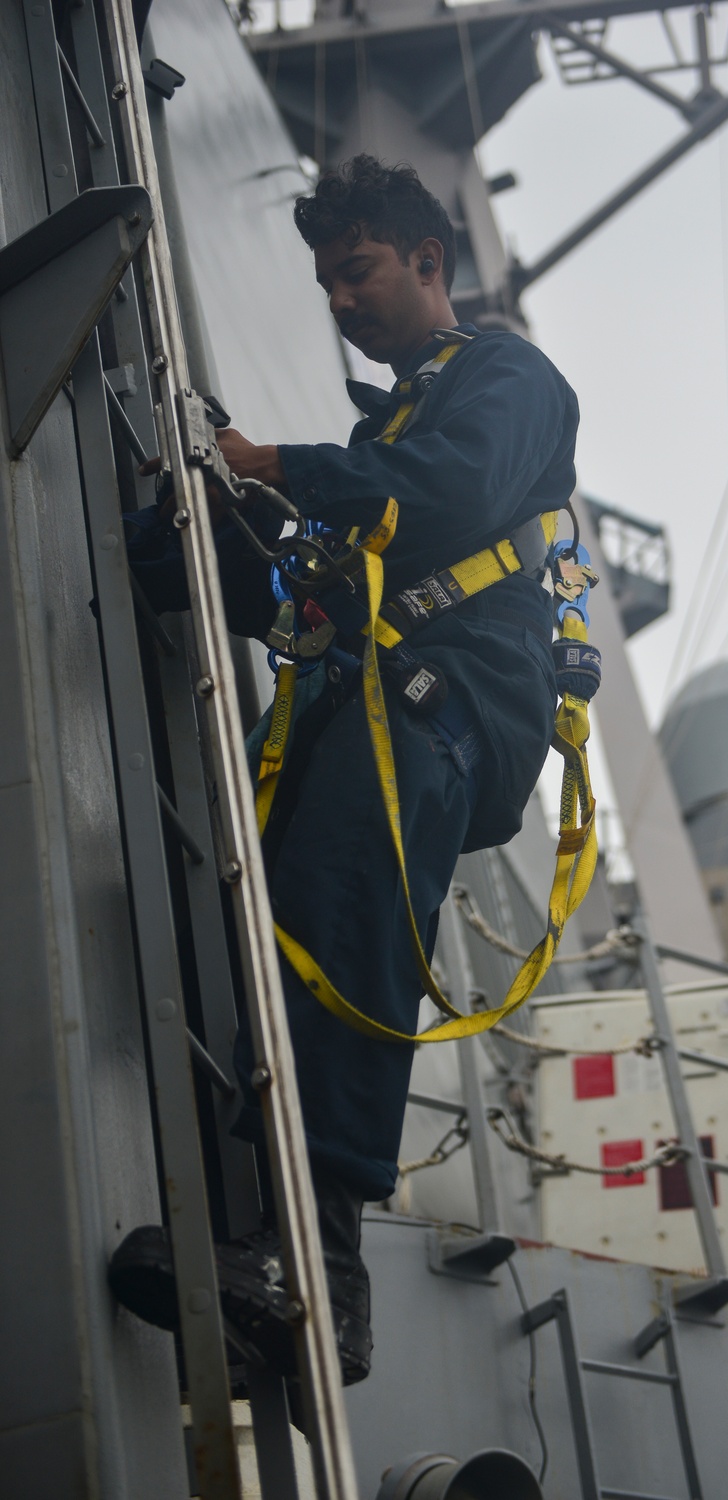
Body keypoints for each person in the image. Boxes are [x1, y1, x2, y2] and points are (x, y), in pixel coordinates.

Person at [110, 155, 580, 1387]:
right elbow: (332, 583)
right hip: (380, 699)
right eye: (324, 279)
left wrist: (278, 468)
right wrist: (203, 544)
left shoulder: (506, 380)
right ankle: (257, 1236)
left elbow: (447, 497)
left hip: (455, 703)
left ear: (428, 261)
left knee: (346, 907)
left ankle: (320, 1268)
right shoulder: (395, 424)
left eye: (357, 270)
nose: (339, 299)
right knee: (293, 931)